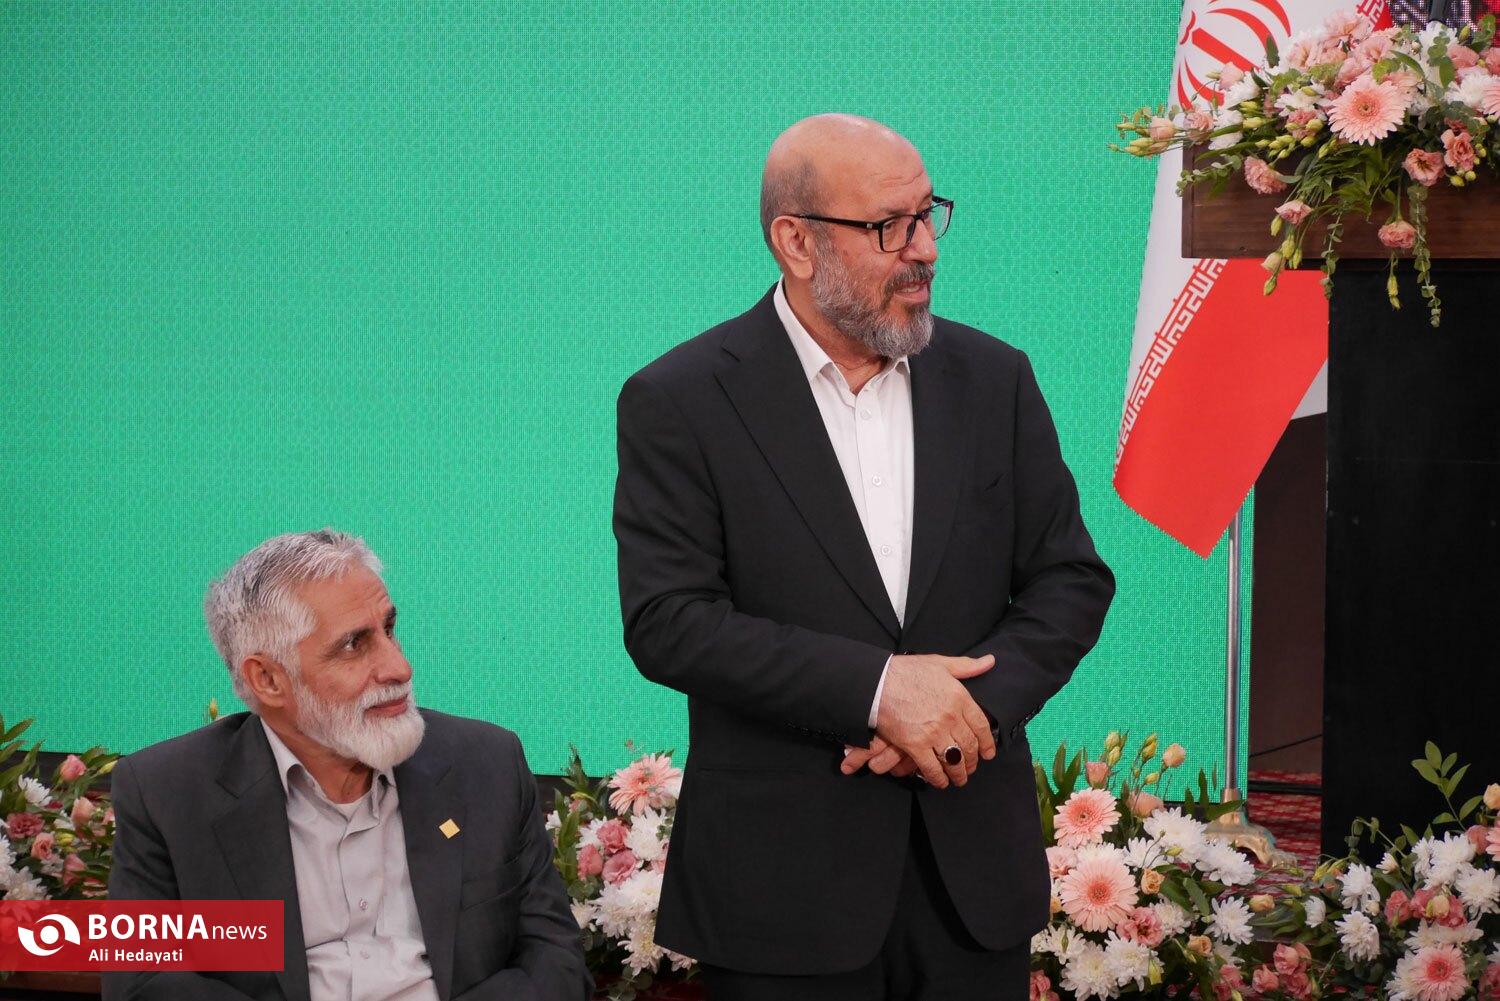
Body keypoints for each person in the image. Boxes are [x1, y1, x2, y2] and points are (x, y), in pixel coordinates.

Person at [612, 114, 1115, 1000]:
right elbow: (670, 621)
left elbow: (1069, 579)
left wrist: (963, 711)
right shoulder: (681, 398)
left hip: (972, 888)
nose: (924, 250)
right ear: (796, 242)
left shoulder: (994, 378)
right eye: (889, 226)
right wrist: (880, 692)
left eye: (928, 214)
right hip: (781, 898)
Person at [104, 529, 591, 1001]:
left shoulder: (485, 765)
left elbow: (554, 960)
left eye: (389, 630)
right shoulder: (169, 794)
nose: (399, 668)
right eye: (354, 645)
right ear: (268, 679)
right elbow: (142, 983)